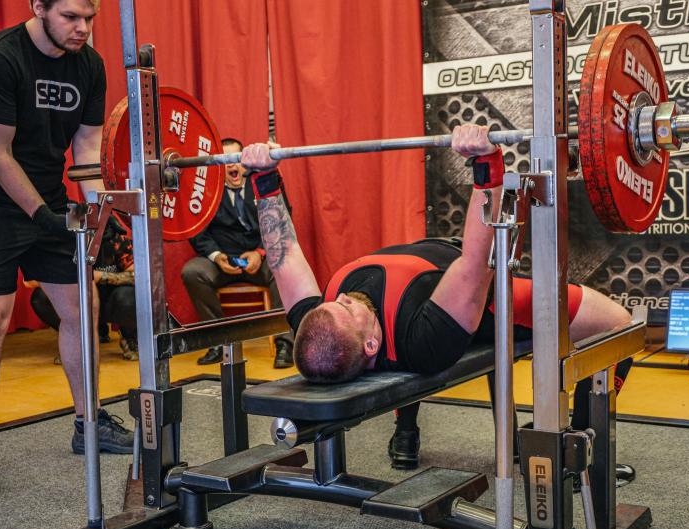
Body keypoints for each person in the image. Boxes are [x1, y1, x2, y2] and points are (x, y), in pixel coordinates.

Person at [241, 124, 634, 470]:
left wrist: (264, 178)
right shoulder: (423, 342)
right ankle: (583, 441)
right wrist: (486, 166)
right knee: (618, 326)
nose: (341, 296)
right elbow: (476, 263)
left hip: (433, 259)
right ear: (372, 343)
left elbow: (284, 256)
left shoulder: (319, 329)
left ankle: (405, 430)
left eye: (331, 301)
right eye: (345, 307)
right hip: (485, 295)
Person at [0, 0, 133, 456]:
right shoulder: (5, 56)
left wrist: (102, 212)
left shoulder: (89, 65)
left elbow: (88, 149)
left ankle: (88, 422)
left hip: (51, 202)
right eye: (70, 17)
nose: (82, 28)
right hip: (3, 204)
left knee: (82, 307)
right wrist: (41, 215)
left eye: (89, 18)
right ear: (38, 7)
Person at [181, 137, 295, 367]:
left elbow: (282, 221)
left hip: (260, 257)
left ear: (246, 162)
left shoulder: (262, 182)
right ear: (218, 166)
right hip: (223, 260)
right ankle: (217, 341)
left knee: (284, 266)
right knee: (192, 271)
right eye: (226, 160)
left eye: (236, 158)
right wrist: (216, 256)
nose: (232, 165)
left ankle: (285, 344)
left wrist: (260, 252)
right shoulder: (205, 193)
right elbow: (197, 231)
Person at [30, 215, 138, 362]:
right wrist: (74, 275)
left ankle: (128, 336)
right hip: (77, 299)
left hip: (110, 298)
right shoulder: (62, 243)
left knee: (130, 298)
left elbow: (137, 276)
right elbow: (30, 281)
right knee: (41, 298)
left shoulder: (116, 240)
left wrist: (101, 276)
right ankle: (76, 338)